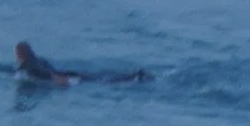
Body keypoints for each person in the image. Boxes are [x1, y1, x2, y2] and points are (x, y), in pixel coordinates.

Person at [13, 42, 151, 86]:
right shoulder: (40, 59)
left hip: (65, 78)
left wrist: (57, 80)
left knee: (100, 81)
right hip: (67, 72)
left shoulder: (27, 65)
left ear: (19, 53)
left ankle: (134, 77)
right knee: (96, 78)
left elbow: (43, 73)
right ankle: (133, 76)